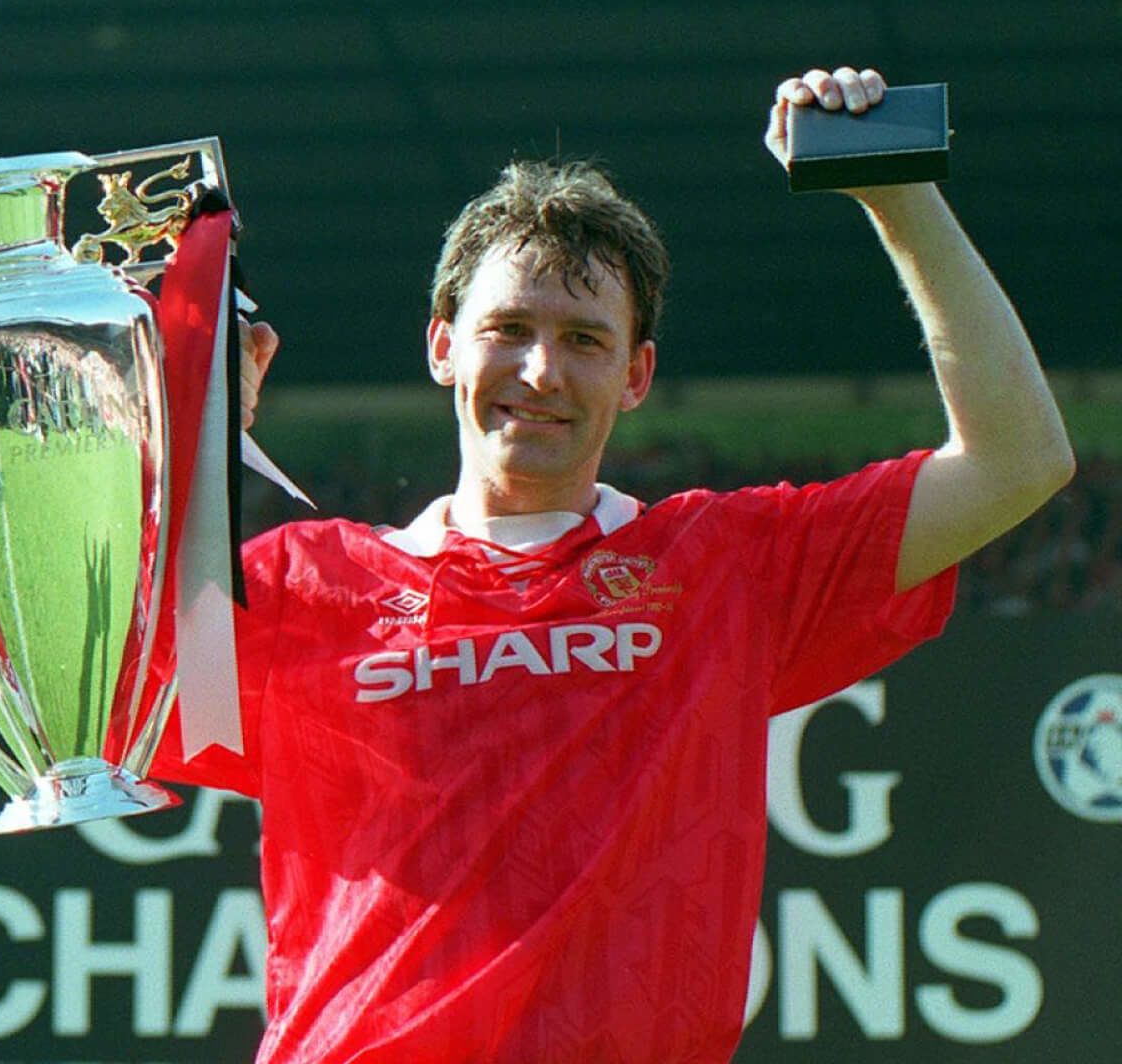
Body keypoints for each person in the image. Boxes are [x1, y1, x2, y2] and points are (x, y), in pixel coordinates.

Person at [161, 71, 1074, 1064]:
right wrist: (186, 437)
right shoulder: (300, 585)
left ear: (635, 375)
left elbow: (1015, 460)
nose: (540, 371)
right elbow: (74, 699)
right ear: (442, 348)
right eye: (508, 329)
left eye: (583, 340)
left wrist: (897, 194)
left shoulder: (723, 567)